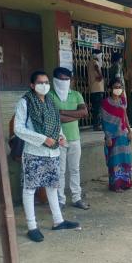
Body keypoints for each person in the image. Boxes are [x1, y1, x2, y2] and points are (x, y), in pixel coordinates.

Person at [14, 71, 80, 242]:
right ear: (32, 85)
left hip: (53, 152)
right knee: (30, 189)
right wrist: (43, 139)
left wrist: (60, 137)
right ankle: (32, 226)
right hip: (34, 152)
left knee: (52, 186)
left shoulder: (50, 101)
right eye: (40, 82)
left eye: (46, 82)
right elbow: (18, 129)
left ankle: (58, 221)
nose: (44, 85)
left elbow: (56, 124)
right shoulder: (25, 102)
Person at [49, 67, 89, 210]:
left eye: (67, 79)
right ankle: (60, 200)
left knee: (75, 169)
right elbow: (53, 117)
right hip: (58, 139)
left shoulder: (76, 94)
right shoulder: (50, 95)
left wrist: (63, 112)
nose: (64, 82)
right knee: (60, 171)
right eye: (61, 79)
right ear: (54, 79)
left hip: (74, 138)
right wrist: (74, 115)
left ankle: (77, 198)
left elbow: (84, 113)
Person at [101, 78, 132, 192]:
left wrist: (129, 131)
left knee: (125, 159)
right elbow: (104, 121)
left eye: (120, 87)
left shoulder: (122, 101)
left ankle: (125, 182)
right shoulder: (106, 102)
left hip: (123, 134)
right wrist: (108, 137)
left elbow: (125, 117)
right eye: (115, 87)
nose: (118, 89)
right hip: (112, 136)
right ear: (110, 88)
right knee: (115, 161)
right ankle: (116, 185)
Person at [87, 49, 105, 131]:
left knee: (95, 107)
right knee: (98, 108)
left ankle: (96, 124)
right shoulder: (94, 61)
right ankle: (97, 125)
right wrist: (101, 75)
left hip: (93, 88)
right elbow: (97, 67)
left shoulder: (89, 62)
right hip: (98, 88)